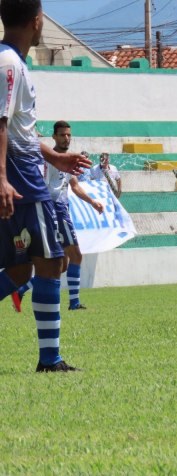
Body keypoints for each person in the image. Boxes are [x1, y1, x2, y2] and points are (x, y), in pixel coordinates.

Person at [0, 0, 91, 372]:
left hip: (19, 172)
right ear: (38, 21)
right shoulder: (8, 63)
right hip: (19, 178)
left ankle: (50, 358)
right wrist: (2, 178)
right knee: (52, 261)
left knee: (21, 270)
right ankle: (50, 360)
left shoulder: (13, 61)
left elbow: (21, 128)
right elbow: (0, 123)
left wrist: (54, 157)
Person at [12, 121, 104, 312]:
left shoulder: (68, 159)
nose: (66, 138)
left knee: (60, 266)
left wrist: (93, 202)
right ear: (54, 137)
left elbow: (75, 186)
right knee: (76, 256)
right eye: (62, 135)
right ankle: (74, 302)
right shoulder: (49, 159)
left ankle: (22, 289)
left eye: (68, 135)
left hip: (61, 208)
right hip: (55, 208)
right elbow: (42, 187)